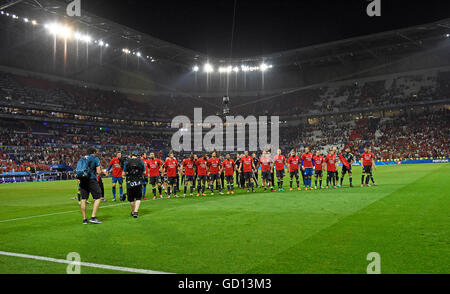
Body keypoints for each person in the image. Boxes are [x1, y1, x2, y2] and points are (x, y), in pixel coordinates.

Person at [78, 147, 103, 224]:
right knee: (98, 197)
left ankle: (84, 219)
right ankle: (93, 217)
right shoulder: (95, 158)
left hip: (82, 179)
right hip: (91, 179)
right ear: (94, 152)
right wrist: (101, 172)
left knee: (83, 199)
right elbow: (98, 172)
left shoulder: (82, 158)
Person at [123, 151, 146, 218]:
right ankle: (136, 212)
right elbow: (144, 172)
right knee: (138, 198)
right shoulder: (140, 161)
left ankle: (133, 212)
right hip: (138, 182)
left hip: (130, 182)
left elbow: (123, 173)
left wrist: (126, 174)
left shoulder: (127, 162)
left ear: (131, 155)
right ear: (137, 155)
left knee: (131, 199)